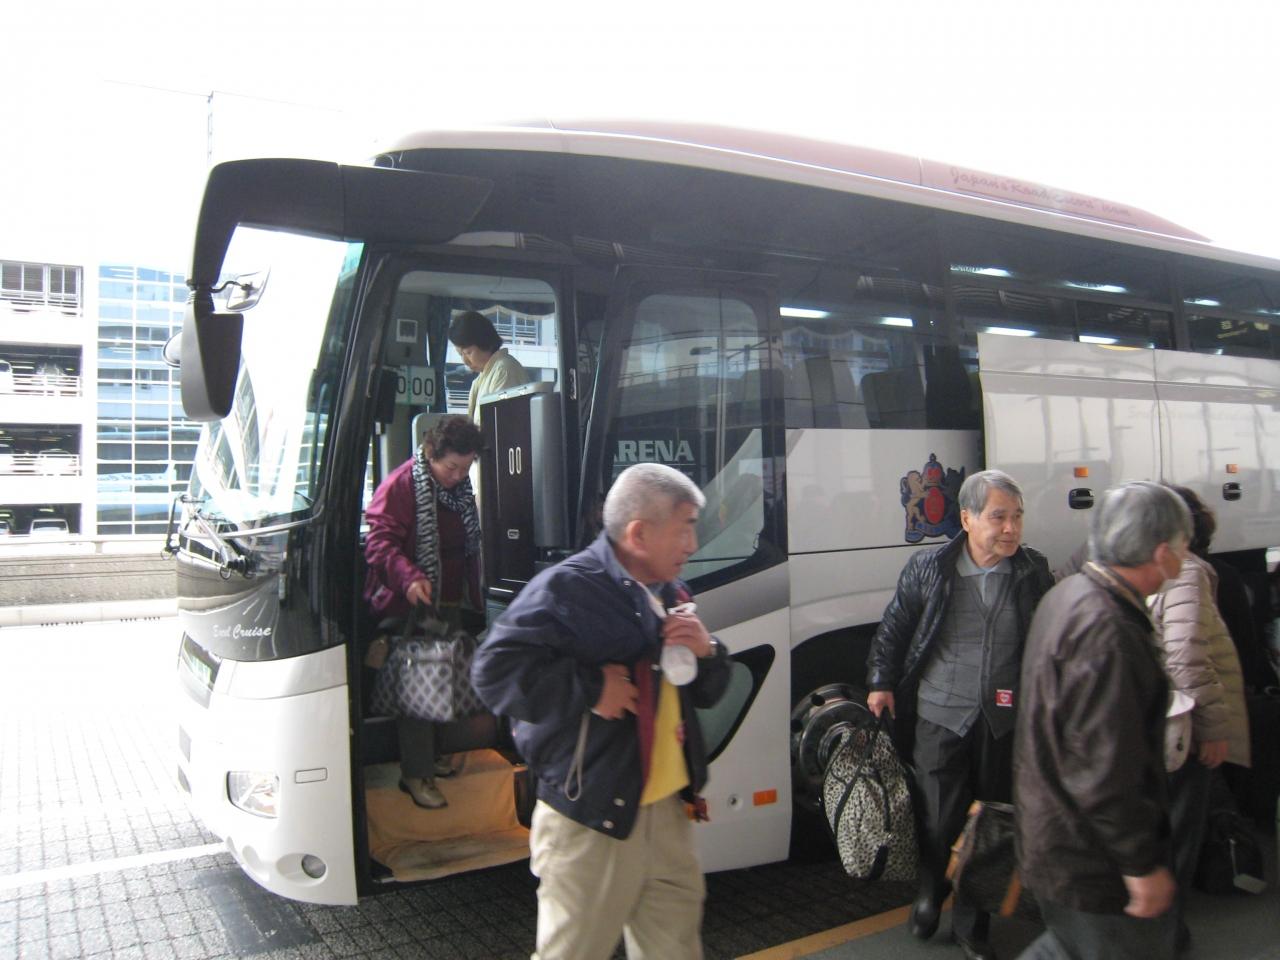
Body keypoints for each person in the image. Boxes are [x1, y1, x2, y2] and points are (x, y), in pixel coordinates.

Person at [472, 462, 731, 960]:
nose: (692, 545)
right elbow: (492, 670)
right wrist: (591, 688)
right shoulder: (568, 588)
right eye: (685, 528)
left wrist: (708, 651)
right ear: (639, 532)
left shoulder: (671, 592)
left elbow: (706, 691)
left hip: (669, 815)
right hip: (590, 820)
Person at [866, 470, 1053, 960]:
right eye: (998, 517)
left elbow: (1049, 641)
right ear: (967, 519)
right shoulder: (929, 567)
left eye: (1017, 517)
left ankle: (974, 924)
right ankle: (931, 892)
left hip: (1003, 718)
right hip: (940, 712)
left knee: (989, 824)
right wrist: (881, 682)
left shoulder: (1033, 571)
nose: (1010, 528)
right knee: (938, 816)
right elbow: (895, 627)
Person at [1015, 481, 1190, 960]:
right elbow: (1106, 770)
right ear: (1162, 553)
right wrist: (1141, 865)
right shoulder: (1108, 631)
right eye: (1183, 546)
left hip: (1056, 837)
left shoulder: (1070, 593)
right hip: (1092, 859)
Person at [364, 415, 486, 809]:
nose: (457, 476)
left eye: (466, 468)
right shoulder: (402, 484)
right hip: (411, 603)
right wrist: (410, 577)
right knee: (417, 692)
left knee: (441, 683)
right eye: (451, 467)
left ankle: (431, 758)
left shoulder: (458, 489)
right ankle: (416, 775)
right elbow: (379, 543)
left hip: (446, 600)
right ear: (431, 455)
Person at [1148, 485, 1250, 953]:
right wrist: (1211, 729)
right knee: (1179, 830)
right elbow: (1187, 658)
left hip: (1153, 721)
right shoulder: (1184, 571)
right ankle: (1166, 930)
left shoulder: (1120, 568)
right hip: (1180, 728)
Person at [448, 309, 531, 424]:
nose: (465, 361)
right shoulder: (485, 376)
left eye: (468, 352)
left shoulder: (504, 370)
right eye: (460, 354)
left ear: (484, 342)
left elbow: (501, 426)